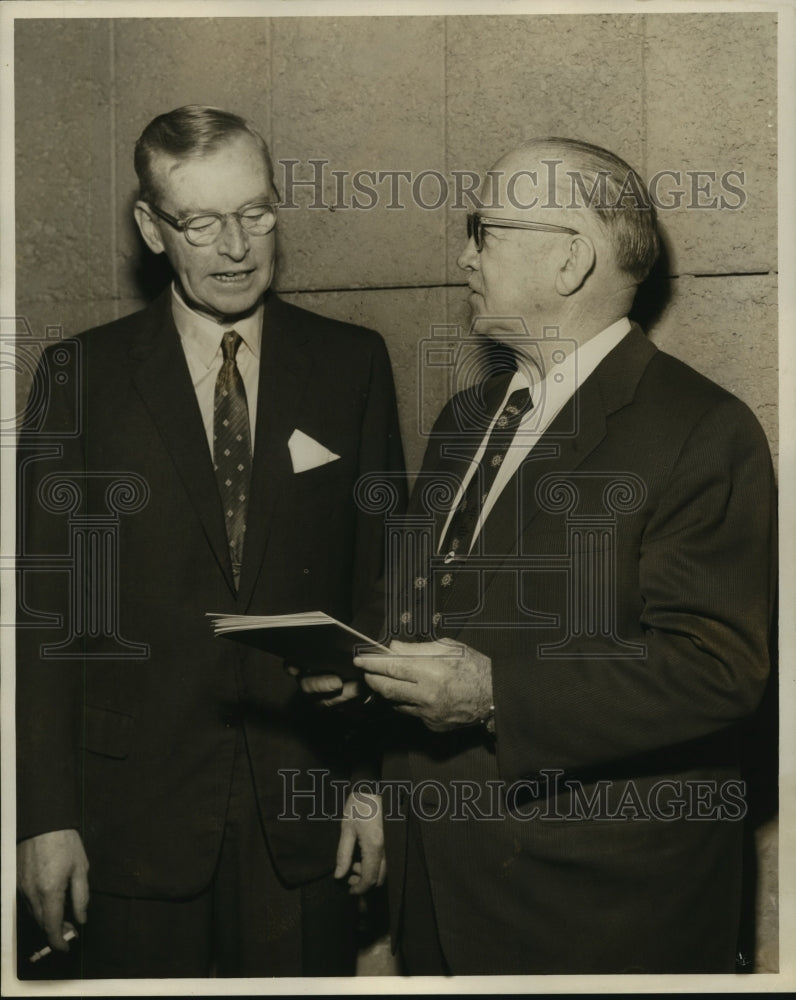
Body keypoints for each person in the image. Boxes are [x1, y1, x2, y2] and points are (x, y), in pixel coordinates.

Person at [350, 138, 777, 974]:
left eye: (485, 229)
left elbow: (716, 670)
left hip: (591, 914)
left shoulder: (701, 429)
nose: (465, 254)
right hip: (435, 881)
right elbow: (415, 604)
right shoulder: (465, 419)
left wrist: (494, 695)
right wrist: (347, 662)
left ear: (571, 259)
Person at [16, 105, 403, 978]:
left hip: (307, 817)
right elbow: (44, 619)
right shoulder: (79, 379)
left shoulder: (353, 366)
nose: (236, 246)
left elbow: (386, 588)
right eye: (201, 222)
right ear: (153, 230)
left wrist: (374, 785)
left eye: (256, 212)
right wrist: (42, 819)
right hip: (130, 822)